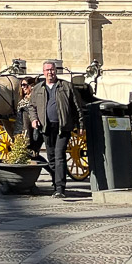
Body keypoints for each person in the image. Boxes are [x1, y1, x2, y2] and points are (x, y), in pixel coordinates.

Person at [37, 59, 82, 198]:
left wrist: (81, 125)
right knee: (51, 157)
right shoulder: (38, 88)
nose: (50, 72)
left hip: (63, 127)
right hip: (47, 127)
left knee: (59, 155)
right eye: (47, 70)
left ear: (55, 71)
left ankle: (60, 188)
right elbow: (32, 106)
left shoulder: (66, 86)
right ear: (44, 72)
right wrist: (34, 119)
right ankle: (55, 185)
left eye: (52, 69)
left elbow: (77, 107)